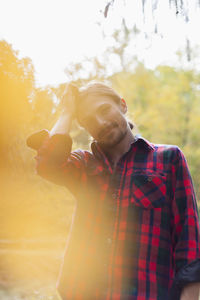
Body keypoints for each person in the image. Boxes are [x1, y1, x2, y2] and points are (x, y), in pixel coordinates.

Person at [27, 82, 200, 300]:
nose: (100, 122)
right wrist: (66, 113)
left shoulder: (169, 159)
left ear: (123, 105)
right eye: (89, 121)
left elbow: (188, 238)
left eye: (104, 110)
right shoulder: (83, 165)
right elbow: (48, 164)